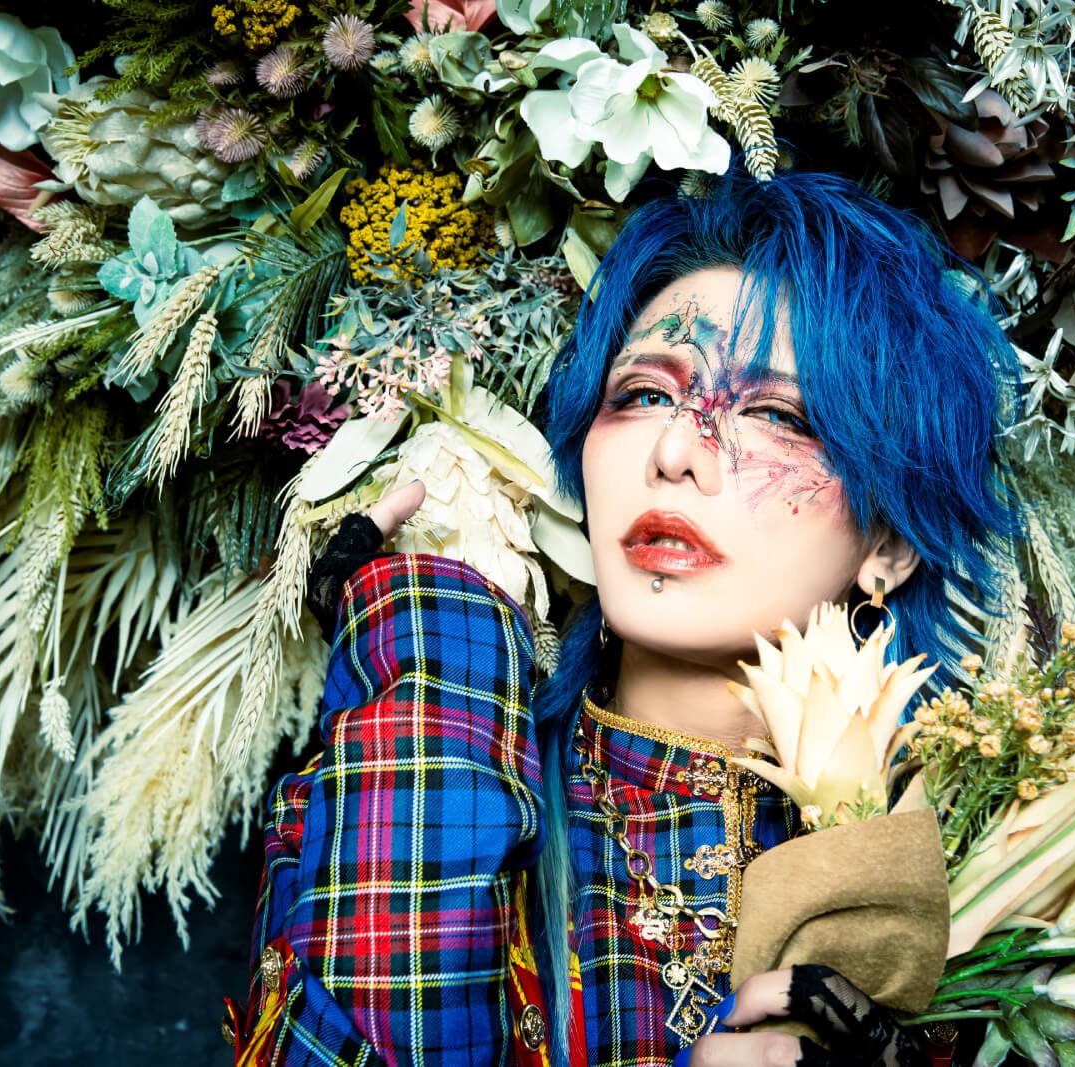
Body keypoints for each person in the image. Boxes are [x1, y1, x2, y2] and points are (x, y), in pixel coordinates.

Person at [226, 166, 1018, 1066]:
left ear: (891, 543)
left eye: (775, 413)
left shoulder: (981, 875)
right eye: (642, 394)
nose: (675, 450)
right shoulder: (413, 765)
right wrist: (433, 637)